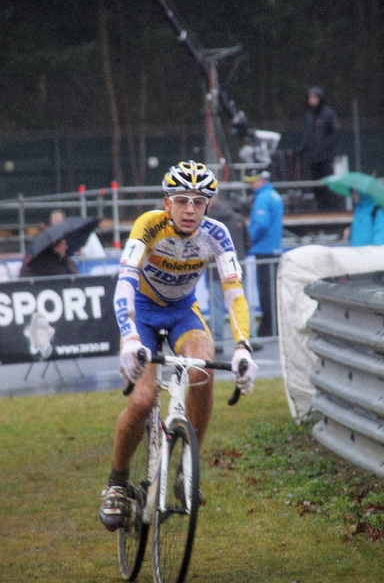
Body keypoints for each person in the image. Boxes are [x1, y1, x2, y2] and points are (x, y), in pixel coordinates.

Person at [99, 160, 258, 532]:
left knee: (203, 368)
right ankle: (117, 484)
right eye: (182, 200)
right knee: (141, 401)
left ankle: (188, 466)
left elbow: (234, 293)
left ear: (209, 204)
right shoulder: (149, 224)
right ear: (167, 202)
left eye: (199, 202)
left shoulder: (217, 234)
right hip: (142, 310)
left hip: (183, 311)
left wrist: (243, 347)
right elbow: (124, 282)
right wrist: (130, 337)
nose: (190, 209)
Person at [206, 197, 252, 351]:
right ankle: (246, 339)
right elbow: (248, 244)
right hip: (237, 268)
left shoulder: (207, 222)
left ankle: (216, 342)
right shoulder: (237, 218)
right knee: (241, 303)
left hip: (214, 271)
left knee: (216, 307)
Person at [246, 170, 283, 338]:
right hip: (274, 249)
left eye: (253, 181)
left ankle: (268, 327)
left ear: (262, 180)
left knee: (266, 292)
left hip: (264, 250)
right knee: (273, 290)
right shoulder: (274, 195)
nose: (250, 185)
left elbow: (261, 224)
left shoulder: (263, 198)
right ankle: (274, 325)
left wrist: (249, 240)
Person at [298, 87, 342, 212]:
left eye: (314, 98)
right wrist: (303, 148)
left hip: (325, 158)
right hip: (314, 158)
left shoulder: (328, 114)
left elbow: (335, 133)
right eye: (310, 98)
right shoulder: (310, 116)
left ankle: (333, 209)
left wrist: (325, 147)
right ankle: (321, 208)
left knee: (328, 184)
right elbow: (308, 134)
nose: (312, 101)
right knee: (317, 186)